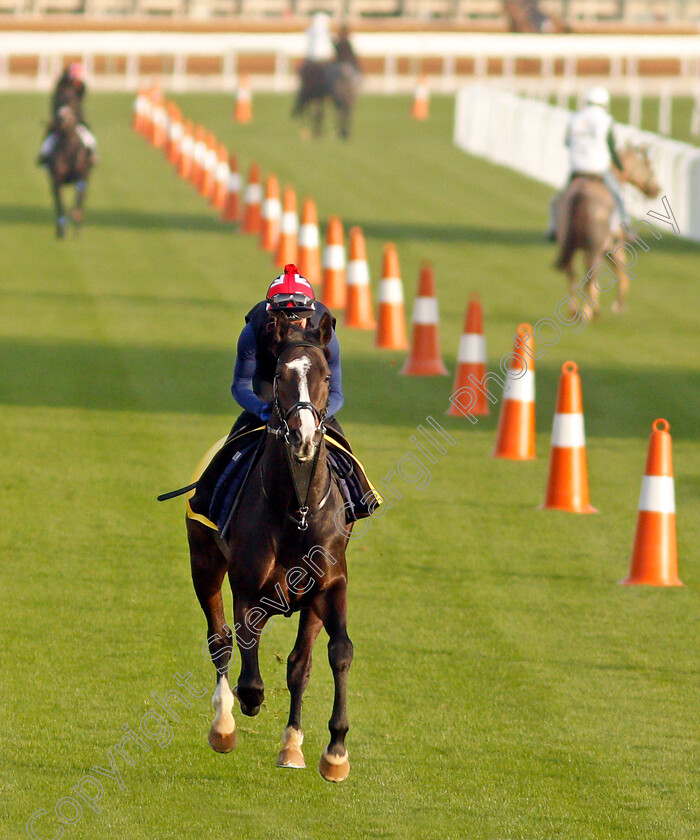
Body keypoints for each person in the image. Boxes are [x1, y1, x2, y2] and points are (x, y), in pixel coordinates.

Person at [230, 263, 344, 439]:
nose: (291, 332)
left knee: (348, 461)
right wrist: (260, 409)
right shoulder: (253, 331)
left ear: (309, 318)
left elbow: (336, 392)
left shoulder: (325, 335)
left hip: (313, 401)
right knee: (226, 455)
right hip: (268, 391)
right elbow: (240, 384)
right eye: (283, 325)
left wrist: (315, 414)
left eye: (298, 325)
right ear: (271, 317)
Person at [545, 85, 628, 241]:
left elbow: (567, 142)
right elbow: (611, 147)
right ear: (605, 103)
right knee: (618, 196)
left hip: (577, 168)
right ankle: (623, 228)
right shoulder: (606, 120)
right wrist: (621, 168)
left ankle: (553, 227)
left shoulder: (575, 118)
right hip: (599, 169)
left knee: (559, 199)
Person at [38, 62, 98, 166]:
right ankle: (44, 157)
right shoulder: (61, 87)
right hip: (60, 122)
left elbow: (79, 103)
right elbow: (56, 103)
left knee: (89, 139)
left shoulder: (80, 88)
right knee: (50, 140)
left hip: (77, 121)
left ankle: (92, 156)